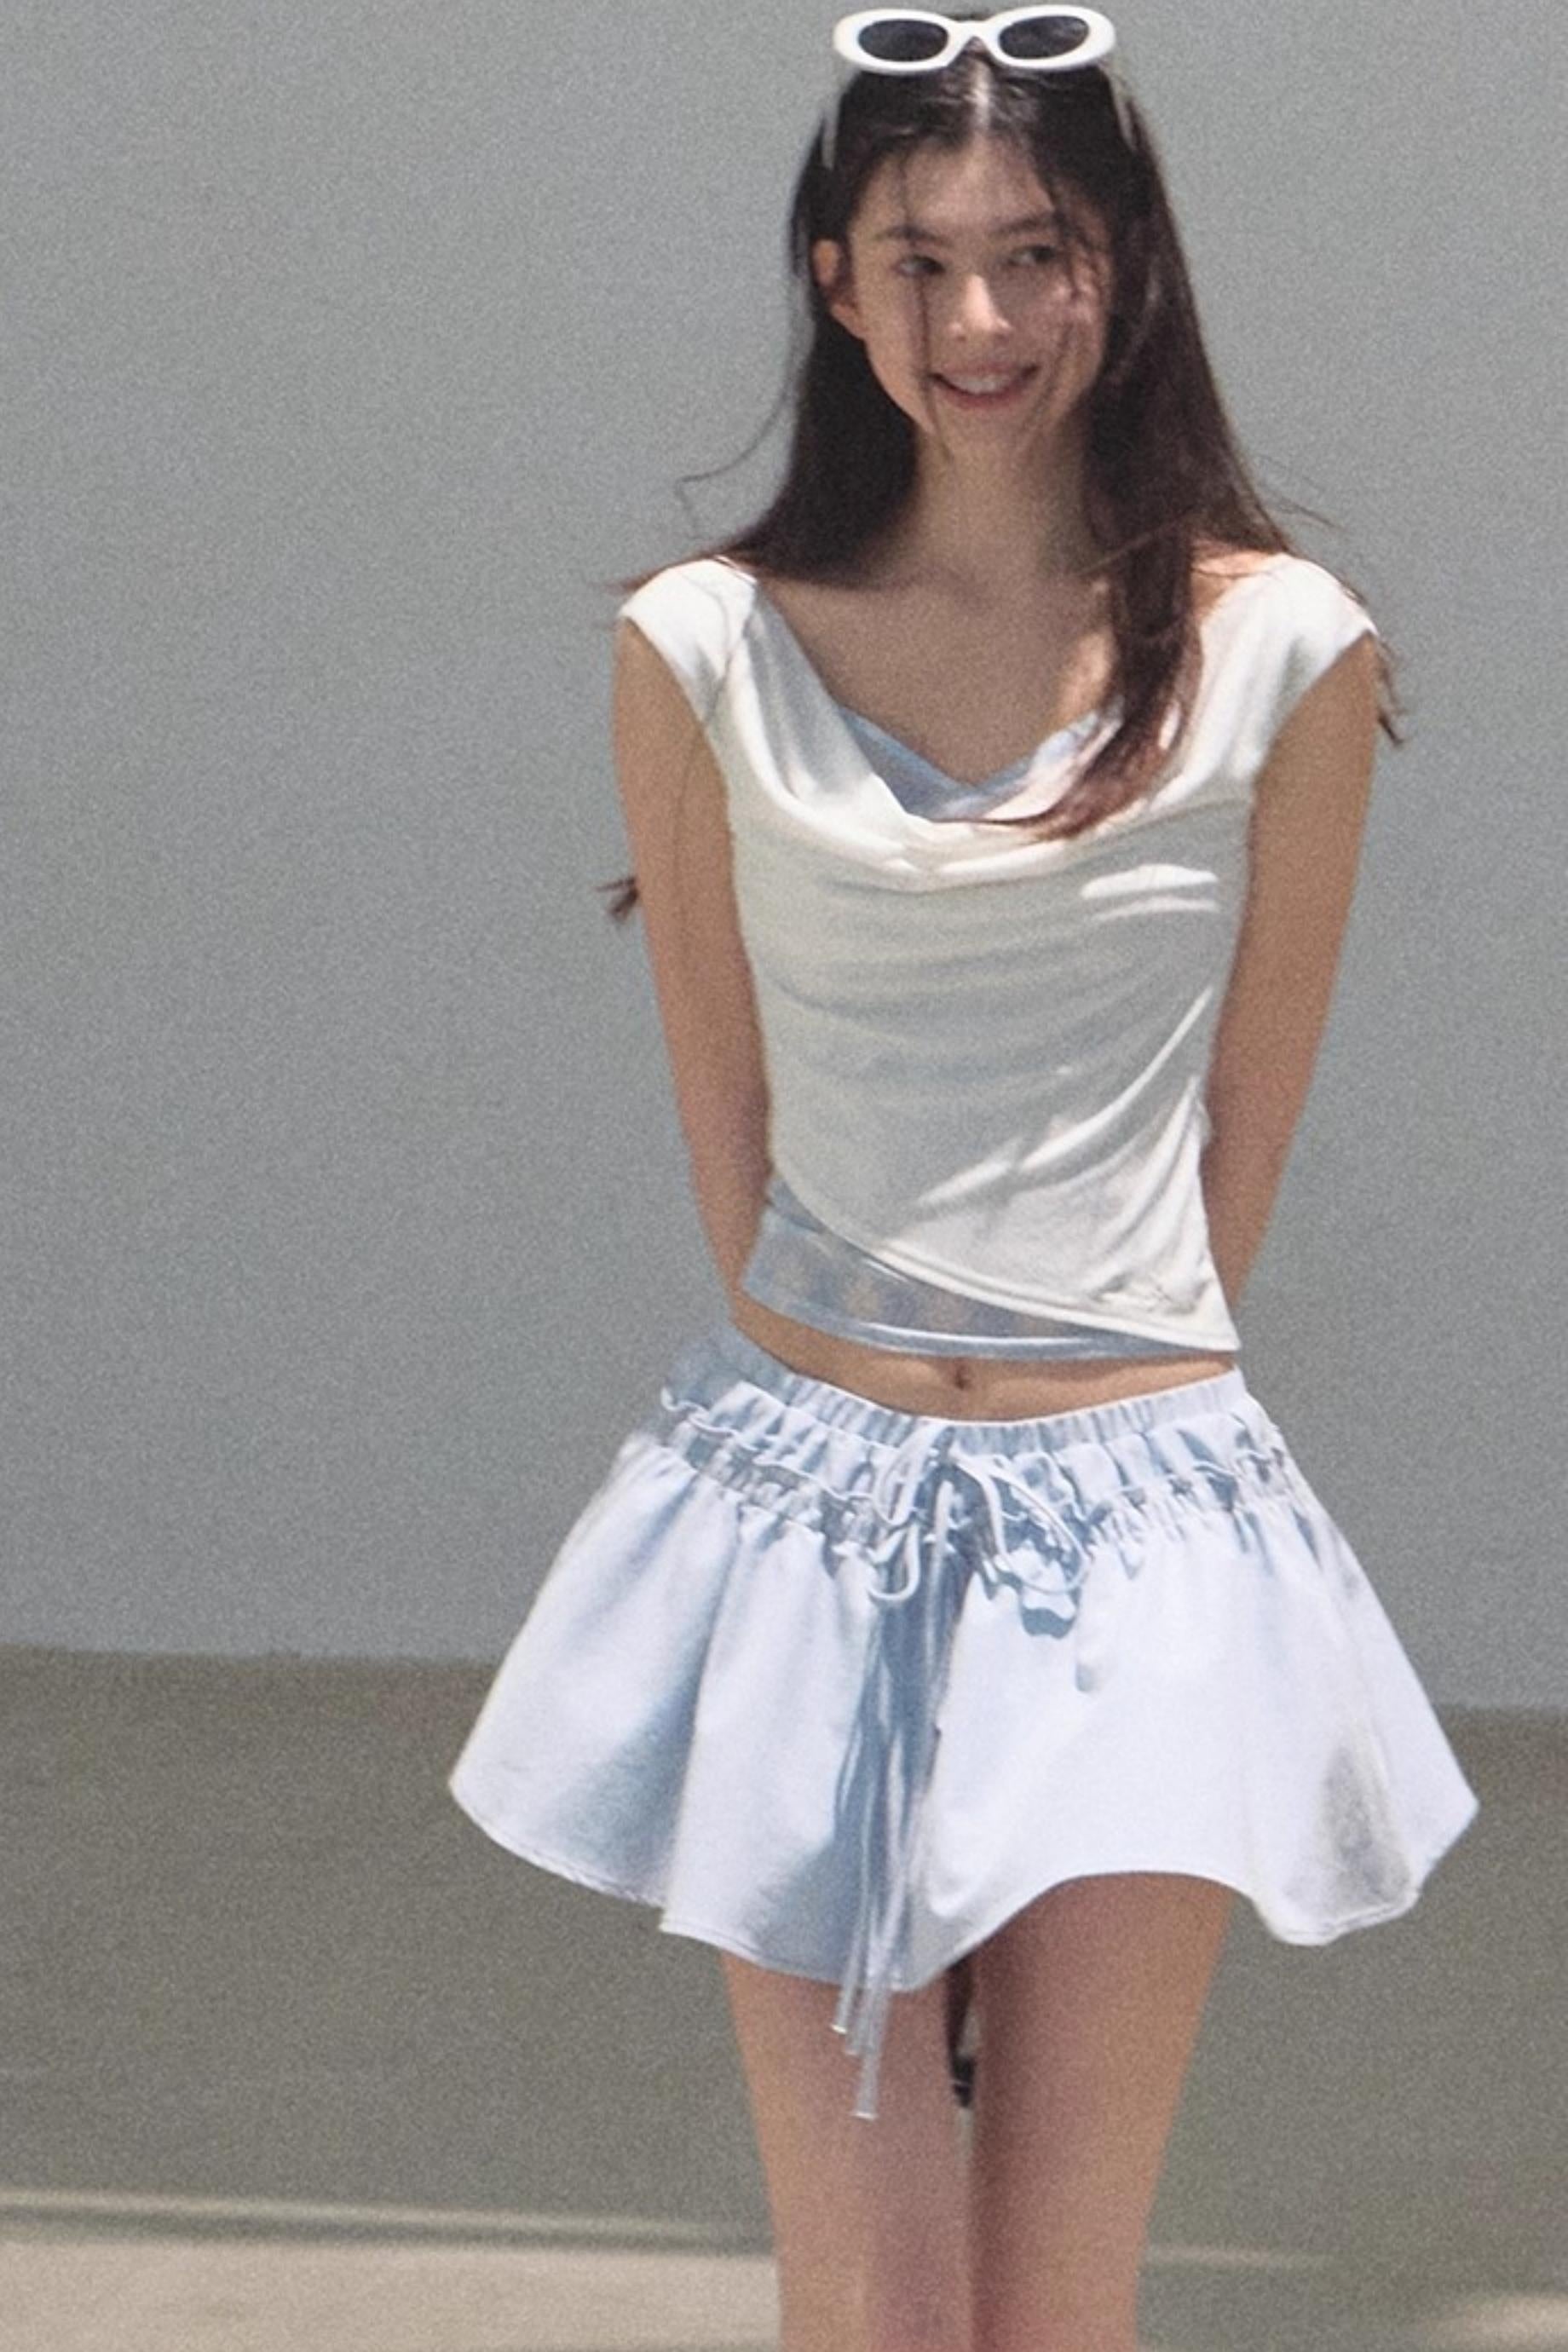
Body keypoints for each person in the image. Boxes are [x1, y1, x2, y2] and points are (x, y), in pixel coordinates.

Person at [449, 12, 1479, 2349]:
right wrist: (874, 1403)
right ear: (834, 281)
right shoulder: (701, 648)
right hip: (802, 1530)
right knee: (878, 2311)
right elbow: (732, 1140)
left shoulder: (1282, 652)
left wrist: (1080, 1418)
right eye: (922, 259)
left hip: (1140, 1542)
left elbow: (1237, 1156)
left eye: (1040, 252)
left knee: (1057, 2308)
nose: (984, 316)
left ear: (1129, 268)